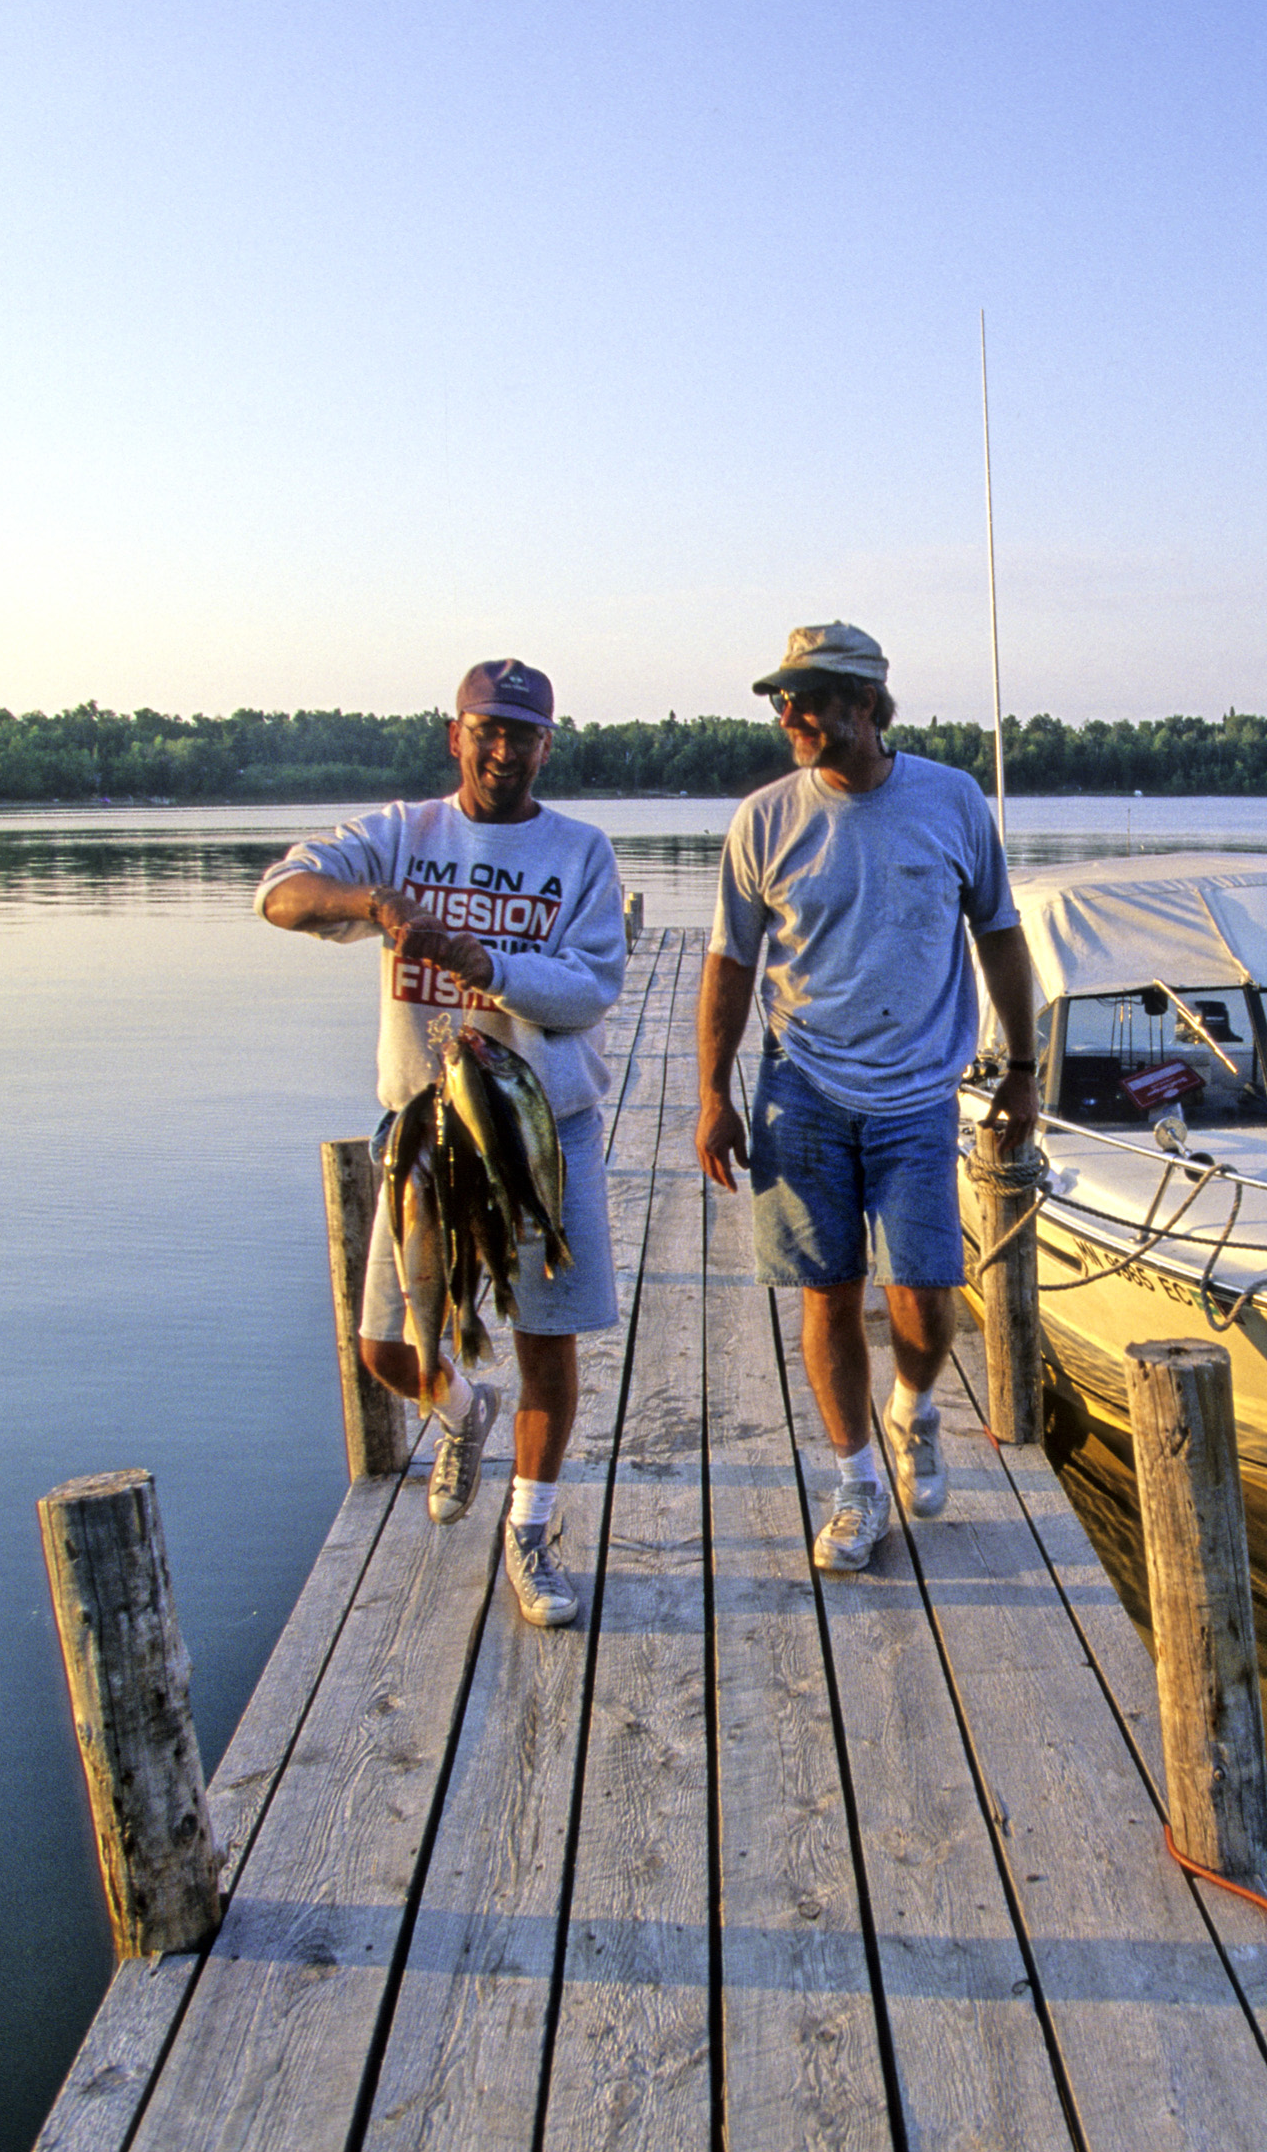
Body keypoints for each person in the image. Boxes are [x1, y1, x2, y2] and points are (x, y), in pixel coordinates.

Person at [256, 658, 627, 1628]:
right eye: (486, 728)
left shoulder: (581, 852)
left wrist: (485, 961)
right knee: (386, 1347)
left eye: (524, 733)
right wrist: (377, 907)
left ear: (549, 743)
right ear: (454, 732)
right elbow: (279, 894)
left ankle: (531, 1528)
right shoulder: (400, 835)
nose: (503, 749)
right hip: (426, 1138)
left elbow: (591, 988)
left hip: (543, 1131)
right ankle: (465, 1411)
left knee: (547, 1343)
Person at [694, 621, 1038, 1573]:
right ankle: (855, 1485)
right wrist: (712, 1093)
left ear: (868, 705)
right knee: (828, 1293)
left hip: (919, 1096)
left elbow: (1001, 935)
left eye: (806, 699)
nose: (789, 716)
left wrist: (1023, 1067)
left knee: (928, 1307)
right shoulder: (764, 820)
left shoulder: (953, 801)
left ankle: (916, 1407)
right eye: (780, 700)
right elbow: (729, 962)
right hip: (800, 1085)